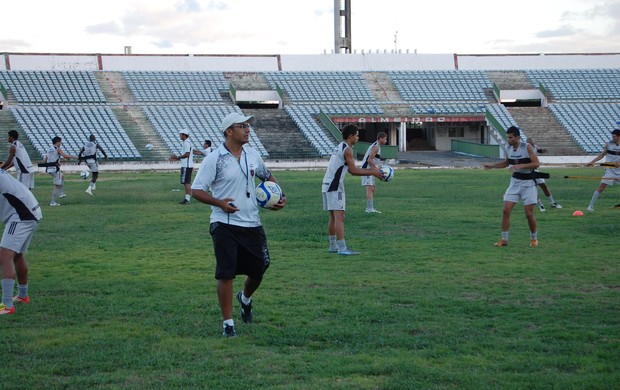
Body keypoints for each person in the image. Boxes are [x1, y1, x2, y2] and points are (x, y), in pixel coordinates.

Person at [191, 112, 287, 337]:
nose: (248, 129)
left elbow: (267, 176)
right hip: (224, 223)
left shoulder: (252, 155)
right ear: (228, 131)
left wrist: (280, 195)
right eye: (242, 126)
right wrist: (219, 203)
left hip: (252, 222)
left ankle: (244, 298)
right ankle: (228, 324)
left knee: (260, 268)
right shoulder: (214, 158)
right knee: (225, 273)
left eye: (248, 126)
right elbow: (196, 190)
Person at [323, 124, 383, 255]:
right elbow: (353, 170)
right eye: (356, 135)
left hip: (327, 184)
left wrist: (370, 171)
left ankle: (333, 246)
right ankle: (342, 248)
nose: (358, 137)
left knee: (333, 217)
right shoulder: (347, 150)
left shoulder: (340, 146)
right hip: (334, 185)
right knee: (340, 216)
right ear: (350, 136)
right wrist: (372, 172)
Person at [483, 126, 540, 247]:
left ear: (517, 137)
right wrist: (492, 166)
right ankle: (504, 240)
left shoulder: (527, 147)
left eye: (511, 137)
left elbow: (536, 163)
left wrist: (520, 166)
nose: (508, 140)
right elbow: (506, 163)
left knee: (529, 213)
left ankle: (534, 238)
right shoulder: (508, 148)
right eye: (508, 137)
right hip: (515, 183)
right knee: (506, 210)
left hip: (528, 184)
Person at [0, 169, 42, 315]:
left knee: (4, 257)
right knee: (17, 255)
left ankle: (7, 305)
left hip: (21, 216)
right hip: (31, 212)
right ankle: (23, 296)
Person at [585, 128, 620, 211]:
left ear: (619, 137)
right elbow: (602, 155)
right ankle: (590, 206)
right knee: (602, 186)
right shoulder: (608, 144)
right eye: (612, 136)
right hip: (609, 169)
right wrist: (592, 162)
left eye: (614, 136)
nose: (612, 138)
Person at [525, 138, 562, 211]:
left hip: (536, 171)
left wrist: (544, 150)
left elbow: (539, 150)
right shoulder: (524, 150)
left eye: (532, 144)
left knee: (544, 186)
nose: (532, 145)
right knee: (534, 189)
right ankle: (540, 205)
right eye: (530, 144)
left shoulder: (535, 147)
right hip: (528, 172)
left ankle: (552, 203)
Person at [43, 136, 77, 206]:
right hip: (55, 169)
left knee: (62, 177)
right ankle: (53, 202)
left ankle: (61, 193)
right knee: (57, 185)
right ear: (58, 142)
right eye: (60, 142)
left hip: (49, 168)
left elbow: (45, 160)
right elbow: (65, 155)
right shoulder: (57, 148)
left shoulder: (49, 149)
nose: (61, 143)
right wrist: (74, 157)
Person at [361, 132, 388, 213]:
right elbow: (369, 160)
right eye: (385, 139)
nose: (386, 140)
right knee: (370, 188)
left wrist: (377, 168)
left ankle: (370, 208)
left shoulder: (377, 146)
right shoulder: (376, 147)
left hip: (370, 169)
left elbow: (373, 160)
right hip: (367, 169)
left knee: (372, 188)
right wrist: (376, 169)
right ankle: (369, 209)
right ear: (380, 138)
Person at [170, 130, 194, 204]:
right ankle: (187, 198)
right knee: (186, 182)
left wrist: (177, 157)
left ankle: (187, 199)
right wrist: (177, 158)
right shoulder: (187, 143)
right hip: (188, 165)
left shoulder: (186, 143)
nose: (180, 136)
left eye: (181, 135)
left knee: (186, 182)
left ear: (184, 135)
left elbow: (187, 154)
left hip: (186, 165)